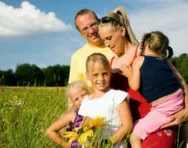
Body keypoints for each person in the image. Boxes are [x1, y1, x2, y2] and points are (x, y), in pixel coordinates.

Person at [98, 7, 188, 148]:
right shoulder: (109, 66)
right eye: (104, 40)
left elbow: (182, 84)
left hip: (159, 123)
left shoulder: (148, 54)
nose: (107, 44)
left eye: (109, 38)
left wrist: (187, 111)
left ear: (122, 31)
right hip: (129, 129)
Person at [120, 31, 184, 148]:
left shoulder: (138, 61)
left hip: (165, 108)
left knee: (134, 136)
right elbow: (181, 82)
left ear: (143, 45)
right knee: (136, 124)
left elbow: (134, 86)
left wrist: (129, 74)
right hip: (178, 99)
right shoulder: (163, 61)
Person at [78, 53, 132, 147]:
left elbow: (127, 126)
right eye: (95, 75)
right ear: (87, 76)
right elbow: (82, 125)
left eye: (104, 74)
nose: (101, 79)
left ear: (110, 72)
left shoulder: (118, 97)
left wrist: (107, 144)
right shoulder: (86, 101)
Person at [68, 9, 114, 84]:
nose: (91, 31)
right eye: (85, 28)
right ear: (80, 33)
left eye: (93, 24)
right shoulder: (77, 57)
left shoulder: (116, 46)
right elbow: (75, 91)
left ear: (99, 22)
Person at [46, 80, 90, 148]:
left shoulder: (97, 109)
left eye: (83, 95)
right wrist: (65, 145)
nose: (81, 100)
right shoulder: (73, 115)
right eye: (76, 99)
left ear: (89, 93)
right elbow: (50, 131)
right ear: (72, 103)